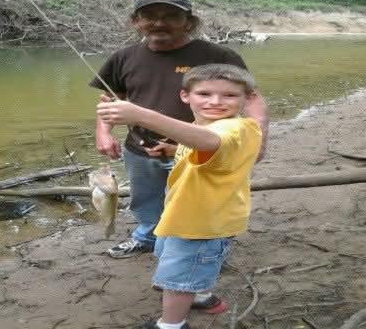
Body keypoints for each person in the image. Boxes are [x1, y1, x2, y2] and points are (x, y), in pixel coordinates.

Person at [89, 0, 269, 260]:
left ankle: (209, 248)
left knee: (206, 204)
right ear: (135, 22)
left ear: (189, 22)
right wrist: (103, 133)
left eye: (171, 16)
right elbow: (111, 101)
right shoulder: (123, 57)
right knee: (146, 200)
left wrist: (258, 142)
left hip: (201, 153)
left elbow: (252, 99)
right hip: (141, 149)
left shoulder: (218, 55)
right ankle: (148, 236)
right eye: (150, 16)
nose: (159, 23)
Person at [96, 64, 262, 329]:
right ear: (186, 96)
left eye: (229, 95)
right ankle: (200, 297)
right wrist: (175, 149)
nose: (216, 101)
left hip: (201, 224)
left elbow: (209, 142)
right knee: (176, 259)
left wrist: (141, 115)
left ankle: (171, 324)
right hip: (183, 216)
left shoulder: (238, 129)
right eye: (204, 94)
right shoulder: (204, 125)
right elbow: (205, 149)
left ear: (247, 98)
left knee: (178, 278)